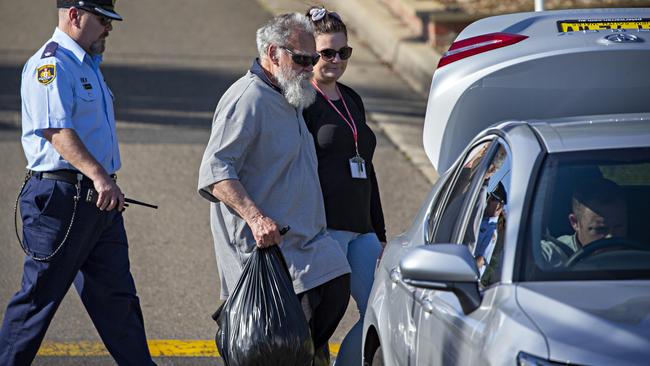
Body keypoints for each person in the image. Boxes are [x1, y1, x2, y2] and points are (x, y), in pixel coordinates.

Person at [0, 1, 156, 365]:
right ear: (74, 15)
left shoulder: (86, 65)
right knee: (37, 302)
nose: (109, 29)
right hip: (62, 202)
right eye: (103, 20)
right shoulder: (51, 64)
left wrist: (103, 184)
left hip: (97, 203)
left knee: (119, 302)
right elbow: (56, 130)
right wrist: (100, 177)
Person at [197, 12, 351, 366]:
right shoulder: (247, 99)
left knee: (333, 288)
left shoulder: (291, 94)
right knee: (276, 349)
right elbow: (215, 170)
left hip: (308, 246)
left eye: (313, 59)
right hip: (270, 250)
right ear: (272, 53)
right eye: (301, 59)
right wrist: (255, 218)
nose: (309, 67)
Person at [301, 7, 385, 366]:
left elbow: (367, 167)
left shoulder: (352, 99)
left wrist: (380, 232)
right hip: (325, 229)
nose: (336, 60)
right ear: (310, 53)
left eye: (343, 52)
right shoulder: (301, 100)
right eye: (327, 53)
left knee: (378, 311)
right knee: (318, 321)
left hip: (361, 230)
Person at [541, 178, 628, 266]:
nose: (611, 237)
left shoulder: (637, 257)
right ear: (575, 222)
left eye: (619, 227)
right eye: (601, 229)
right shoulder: (553, 255)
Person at [474, 182, 507, 276]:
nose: (488, 201)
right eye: (490, 198)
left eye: (492, 199)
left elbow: (480, 260)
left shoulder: (492, 232)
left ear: (499, 207)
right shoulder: (481, 218)